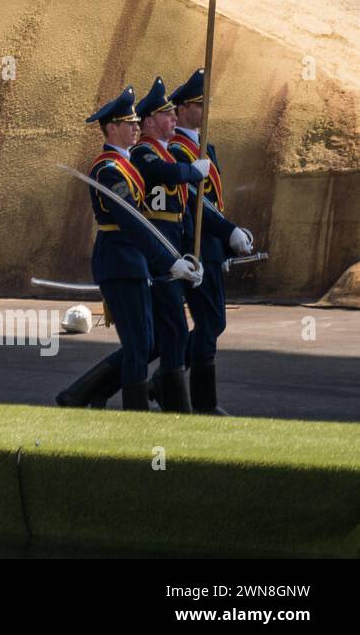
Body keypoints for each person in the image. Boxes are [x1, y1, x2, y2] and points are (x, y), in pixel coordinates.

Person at [58, 86, 201, 411]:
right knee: (139, 344)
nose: (137, 127)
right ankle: (135, 415)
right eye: (129, 122)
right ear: (112, 128)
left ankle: (87, 394)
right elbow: (132, 221)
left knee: (148, 341)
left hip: (133, 262)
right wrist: (169, 262)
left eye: (138, 122)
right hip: (119, 261)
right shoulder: (109, 171)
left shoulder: (126, 166)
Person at [168, 69, 254, 414]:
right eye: (201, 104)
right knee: (210, 321)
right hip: (195, 244)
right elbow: (193, 199)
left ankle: (167, 382)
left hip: (212, 244)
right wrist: (228, 229)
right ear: (184, 108)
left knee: (212, 321)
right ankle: (202, 402)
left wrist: (231, 232)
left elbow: (213, 201)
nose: (206, 110)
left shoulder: (205, 146)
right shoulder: (176, 149)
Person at [130, 76, 209, 413]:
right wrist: (192, 171)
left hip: (172, 251)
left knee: (167, 334)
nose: (173, 118)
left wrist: (193, 255)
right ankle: (174, 402)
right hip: (155, 254)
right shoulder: (144, 153)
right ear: (148, 122)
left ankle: (86, 389)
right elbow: (167, 175)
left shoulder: (164, 152)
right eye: (166, 114)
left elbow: (181, 213)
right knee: (169, 332)